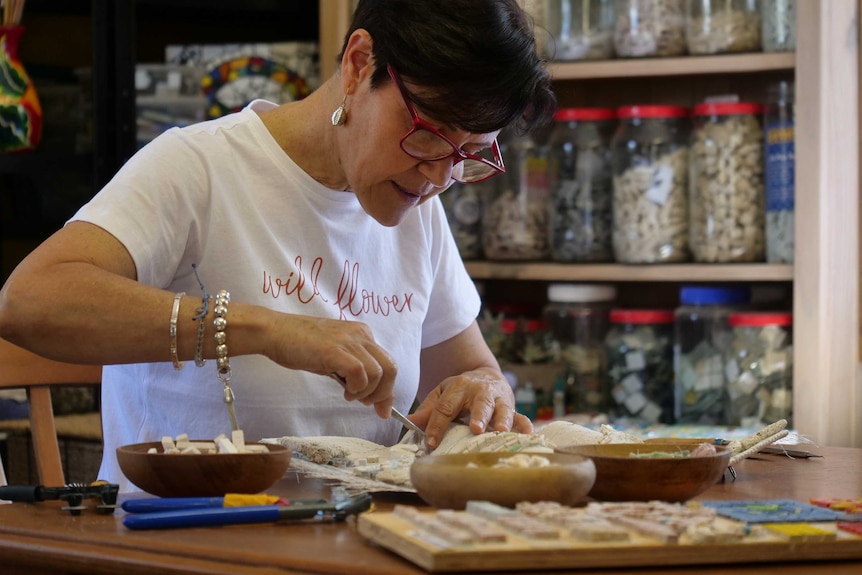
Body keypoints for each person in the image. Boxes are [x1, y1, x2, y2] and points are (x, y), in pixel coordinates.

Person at [0, 0, 556, 491]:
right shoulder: (199, 169)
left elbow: (470, 370)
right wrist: (267, 330)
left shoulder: (418, 203)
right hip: (188, 545)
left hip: (352, 543)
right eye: (429, 133)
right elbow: (30, 301)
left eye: (471, 154)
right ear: (359, 65)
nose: (439, 175)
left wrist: (484, 391)